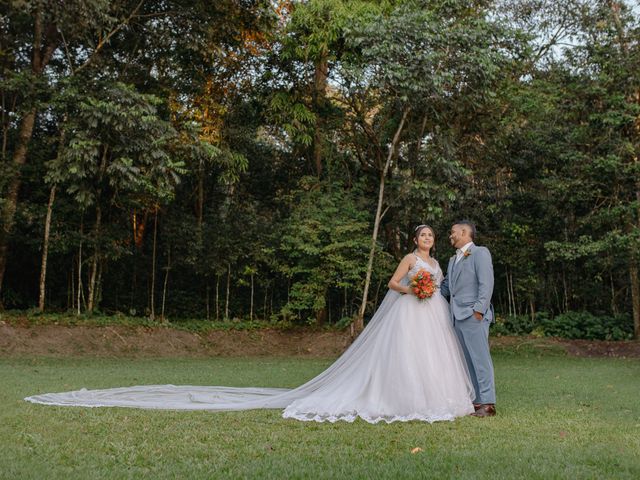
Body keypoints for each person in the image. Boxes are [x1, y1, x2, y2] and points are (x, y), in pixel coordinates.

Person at [26, 225, 475, 424]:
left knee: (434, 361)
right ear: (413, 240)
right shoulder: (409, 260)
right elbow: (392, 284)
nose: (427, 241)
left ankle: (438, 401)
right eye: (423, 237)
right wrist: (411, 289)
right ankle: (399, 400)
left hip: (430, 316)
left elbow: (437, 285)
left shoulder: (437, 263)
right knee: (405, 360)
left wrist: (430, 291)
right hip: (406, 313)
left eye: (432, 237)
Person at [440, 220, 496, 418]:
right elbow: (446, 288)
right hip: (456, 317)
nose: (450, 236)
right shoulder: (452, 259)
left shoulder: (480, 253)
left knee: (481, 360)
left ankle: (488, 404)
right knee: (468, 361)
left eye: (453, 232)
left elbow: (486, 283)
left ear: (464, 232)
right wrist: (422, 288)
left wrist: (479, 311)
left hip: (473, 316)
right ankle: (477, 401)